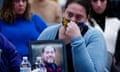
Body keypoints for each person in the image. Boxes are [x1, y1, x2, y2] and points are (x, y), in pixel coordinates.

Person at [37, 0, 107, 72]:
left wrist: (77, 39)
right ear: (63, 12)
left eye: (78, 17)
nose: (72, 20)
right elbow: (35, 62)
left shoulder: (94, 37)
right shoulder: (48, 32)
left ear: (87, 18)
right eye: (69, 15)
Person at [88, 0, 120, 71]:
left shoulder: (116, 22)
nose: (99, 5)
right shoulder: (85, 22)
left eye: (102, 0)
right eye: (95, 1)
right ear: (90, 2)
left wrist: (116, 57)